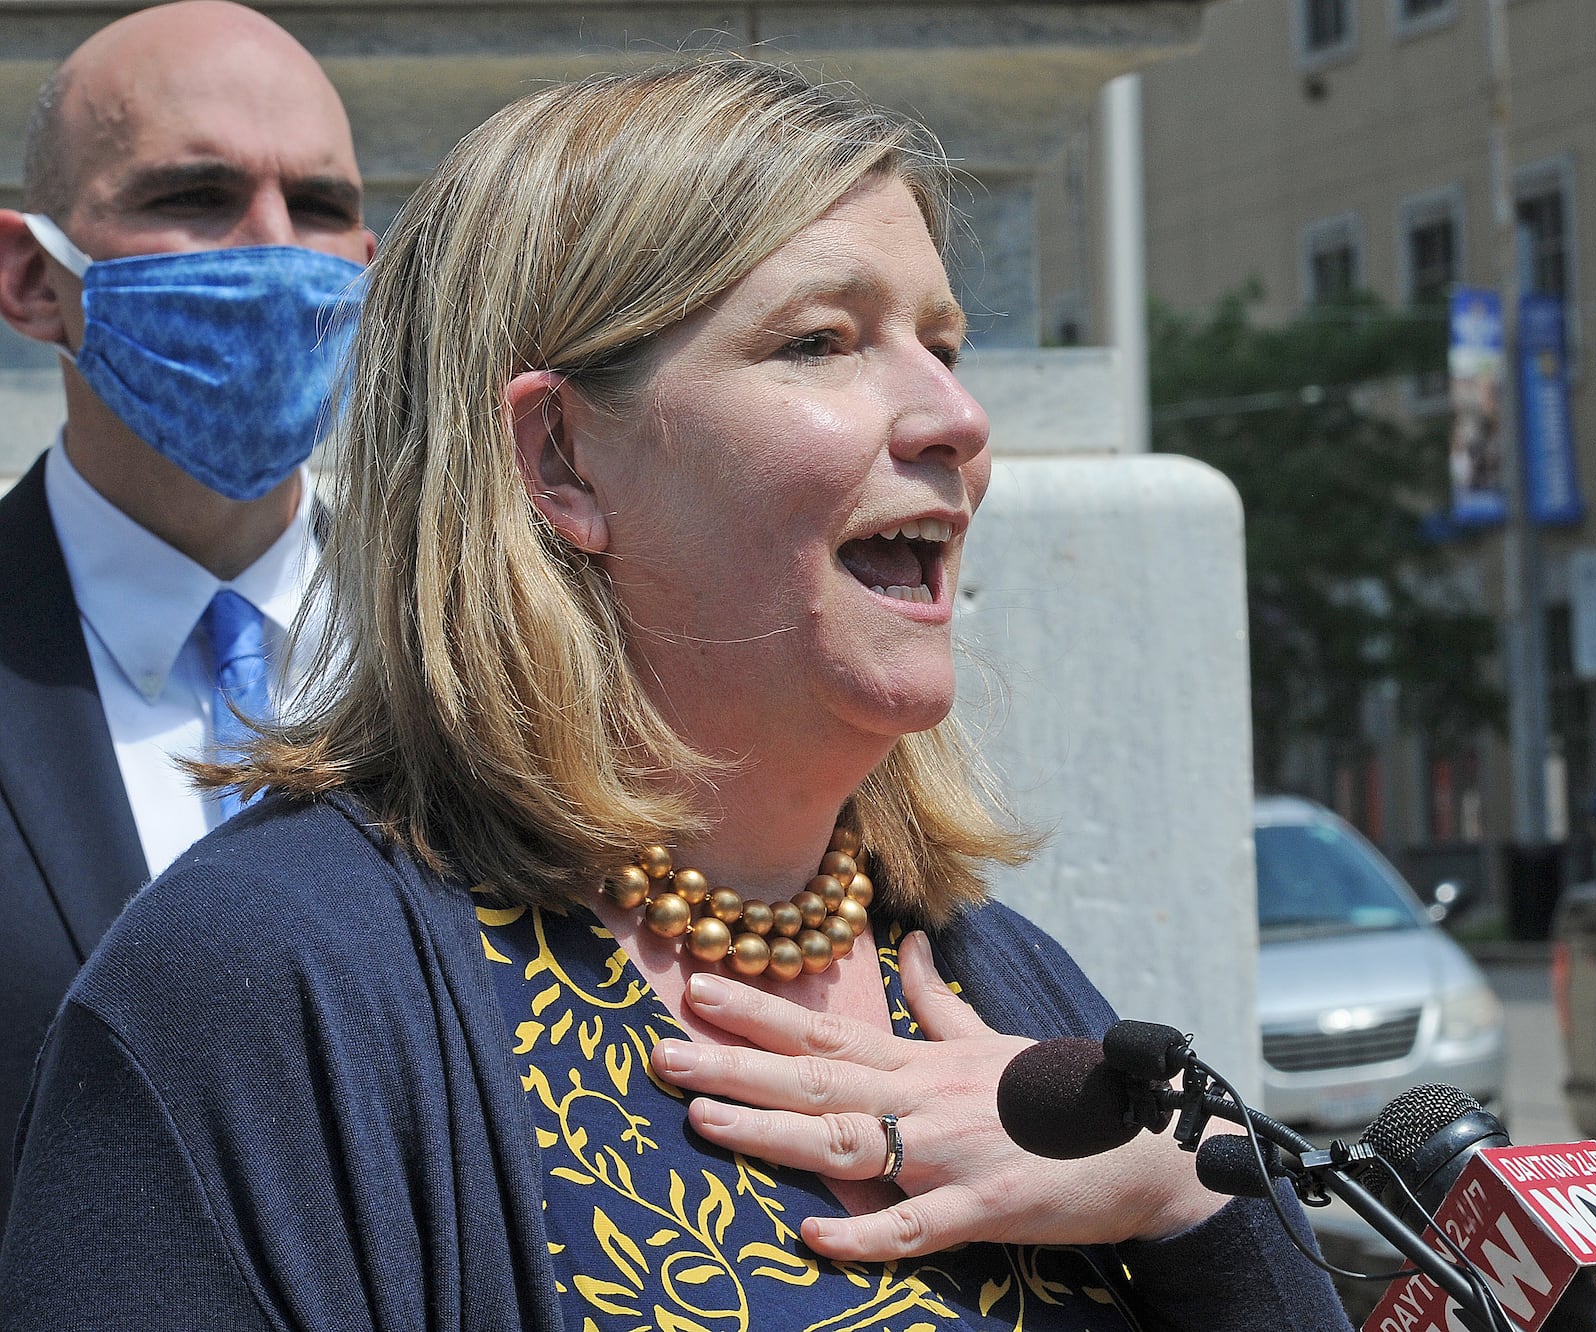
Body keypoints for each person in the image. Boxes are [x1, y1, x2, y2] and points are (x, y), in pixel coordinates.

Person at [0, 61, 1349, 1329]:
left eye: (946, 341)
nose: (954, 416)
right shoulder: (258, 992)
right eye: (823, 342)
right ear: (562, 460)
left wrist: (1192, 1203)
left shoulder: (991, 971)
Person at [0, 0, 374, 1225]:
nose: (273, 253)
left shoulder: (518, 658)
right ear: (31, 278)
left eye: (319, 208)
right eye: (196, 196)